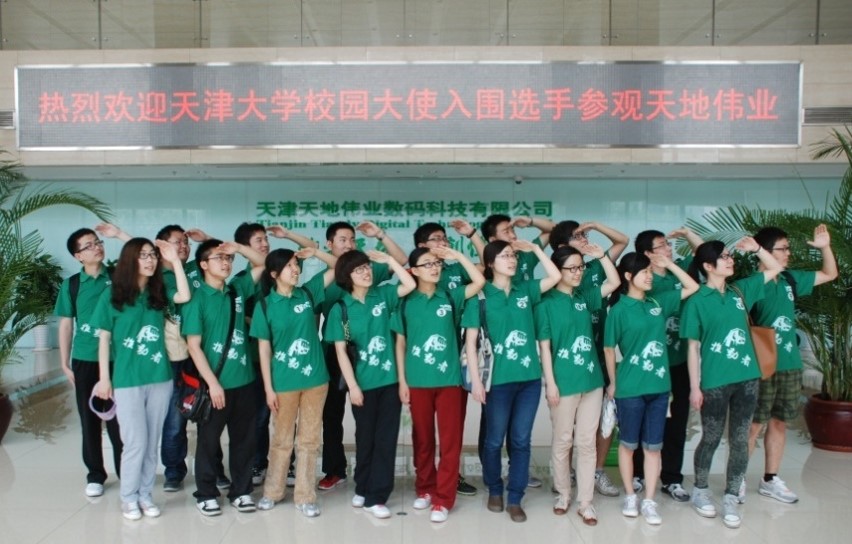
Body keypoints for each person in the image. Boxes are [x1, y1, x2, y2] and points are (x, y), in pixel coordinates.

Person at [680, 238, 782, 529]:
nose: (730, 260)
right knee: (711, 437)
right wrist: (695, 387)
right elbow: (692, 348)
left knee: (740, 439)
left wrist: (758, 249)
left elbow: (775, 267)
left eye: (729, 255)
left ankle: (731, 495)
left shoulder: (740, 290)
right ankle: (700, 490)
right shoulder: (696, 301)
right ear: (708, 266)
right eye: (723, 257)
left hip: (747, 378)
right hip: (714, 381)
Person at [92, 237, 191, 520]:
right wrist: (104, 379)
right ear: (130, 260)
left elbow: (184, 296)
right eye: (143, 255)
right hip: (127, 379)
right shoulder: (113, 295)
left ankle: (146, 495)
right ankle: (128, 497)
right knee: (135, 442)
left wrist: (174, 260)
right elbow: (104, 339)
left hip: (160, 377)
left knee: (151, 442)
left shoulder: (158, 292)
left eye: (153, 255)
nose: (150, 260)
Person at [464, 239, 561, 522]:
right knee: (494, 440)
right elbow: (471, 343)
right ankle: (495, 489)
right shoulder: (480, 296)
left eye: (513, 256)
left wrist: (537, 250)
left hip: (528, 379)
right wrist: (476, 382)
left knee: (520, 440)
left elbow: (555, 276)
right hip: (497, 381)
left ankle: (515, 497)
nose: (512, 260)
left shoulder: (525, 290)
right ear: (490, 263)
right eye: (505, 256)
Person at [603, 252, 698, 525]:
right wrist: (613, 383)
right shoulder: (618, 310)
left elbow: (692, 287)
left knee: (654, 446)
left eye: (650, 271)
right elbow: (609, 349)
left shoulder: (658, 302)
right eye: (644, 272)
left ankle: (649, 500)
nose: (649, 276)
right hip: (630, 387)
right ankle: (630, 495)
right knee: (628, 445)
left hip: (659, 387)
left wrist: (669, 265)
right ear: (628, 276)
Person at [393, 245, 485, 522]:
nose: (434, 268)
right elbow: (400, 344)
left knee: (450, 441)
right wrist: (402, 381)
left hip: (449, 381)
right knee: (422, 439)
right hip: (417, 380)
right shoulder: (405, 301)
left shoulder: (450, 295)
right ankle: (425, 488)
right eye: (427, 264)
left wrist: (457, 256)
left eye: (436, 263)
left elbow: (479, 281)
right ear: (413, 271)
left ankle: (443, 499)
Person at [746, 224, 837, 503]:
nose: (788, 253)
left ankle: (770, 479)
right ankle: (736, 479)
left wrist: (825, 248)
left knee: (779, 421)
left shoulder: (790, 279)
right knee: (753, 425)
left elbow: (830, 274)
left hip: (790, 363)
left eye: (788, 248)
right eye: (782, 249)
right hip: (762, 364)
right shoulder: (753, 284)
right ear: (764, 251)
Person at [325, 249, 416, 519]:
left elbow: (409, 284)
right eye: (359, 269)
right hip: (362, 384)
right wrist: (353, 386)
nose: (366, 272)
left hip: (389, 381)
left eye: (367, 267)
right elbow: (341, 351)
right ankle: (363, 486)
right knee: (365, 437)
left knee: (386, 439)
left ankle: (377, 496)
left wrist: (389, 261)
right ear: (347, 276)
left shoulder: (383, 294)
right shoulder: (341, 309)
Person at [317, 221, 407, 491]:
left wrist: (380, 235)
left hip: (370, 356)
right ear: (330, 244)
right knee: (332, 415)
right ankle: (335, 470)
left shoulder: (366, 272)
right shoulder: (326, 279)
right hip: (337, 351)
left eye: (352, 239)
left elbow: (402, 261)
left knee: (369, 420)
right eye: (342, 240)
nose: (349, 244)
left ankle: (371, 479)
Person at [232, 222, 319, 488]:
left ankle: (288, 466)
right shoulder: (244, 279)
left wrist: (288, 235)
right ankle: (260, 462)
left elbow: (312, 249)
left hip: (291, 363)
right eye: (258, 241)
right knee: (261, 416)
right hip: (256, 359)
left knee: (289, 421)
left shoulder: (290, 277)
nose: (265, 244)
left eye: (265, 239)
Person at [537, 243, 619, 525]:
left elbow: (614, 282)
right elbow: (544, 347)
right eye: (571, 268)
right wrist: (550, 383)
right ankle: (563, 494)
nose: (578, 272)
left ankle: (586, 502)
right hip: (563, 382)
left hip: (591, 380)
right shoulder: (546, 303)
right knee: (563, 441)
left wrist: (601, 256)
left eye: (580, 267)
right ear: (557, 270)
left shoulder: (584, 296)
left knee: (586, 443)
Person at [182, 238, 265, 517]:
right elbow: (193, 346)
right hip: (214, 384)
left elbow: (262, 263)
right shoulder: (196, 300)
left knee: (245, 441)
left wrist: (238, 248)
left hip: (244, 381)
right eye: (219, 258)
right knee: (208, 442)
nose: (226, 263)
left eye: (228, 259)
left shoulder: (237, 289)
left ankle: (241, 491)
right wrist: (213, 384)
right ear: (203, 265)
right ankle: (206, 493)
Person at [252, 247, 336, 517]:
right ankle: (272, 492)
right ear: (274, 274)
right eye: (289, 266)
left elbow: (338, 266)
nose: (295, 270)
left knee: (309, 440)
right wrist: (268, 388)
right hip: (283, 383)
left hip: (315, 381)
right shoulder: (265, 305)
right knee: (282, 439)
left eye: (296, 265)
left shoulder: (308, 293)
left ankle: (305, 495)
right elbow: (264, 349)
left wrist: (316, 253)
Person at [549, 220, 630, 497]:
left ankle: (595, 474)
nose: (584, 238)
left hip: (599, 355)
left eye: (585, 234)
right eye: (578, 236)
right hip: (569, 361)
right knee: (566, 426)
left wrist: (597, 232)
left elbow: (622, 244)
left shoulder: (593, 269)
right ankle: (566, 477)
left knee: (601, 419)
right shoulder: (554, 289)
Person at [54, 223, 128, 497]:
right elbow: (66, 324)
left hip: (117, 358)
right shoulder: (72, 285)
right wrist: (64, 362)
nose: (97, 247)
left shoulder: (118, 277)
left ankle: (126, 472)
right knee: (90, 419)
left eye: (98, 242)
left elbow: (142, 255)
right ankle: (96, 474)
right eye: (89, 245)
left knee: (120, 419)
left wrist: (118, 234)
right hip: (85, 358)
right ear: (78, 256)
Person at [631, 227, 703, 502]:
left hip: (680, 360)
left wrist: (688, 235)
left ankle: (672, 478)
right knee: (645, 420)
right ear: (647, 253)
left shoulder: (679, 271)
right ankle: (638, 473)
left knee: (678, 422)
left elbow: (703, 254)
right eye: (661, 246)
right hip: (651, 363)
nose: (668, 249)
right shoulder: (646, 282)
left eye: (668, 244)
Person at [413, 219, 484, 496]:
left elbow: (484, 271)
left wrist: (460, 251)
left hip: (452, 367)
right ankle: (425, 484)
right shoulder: (411, 287)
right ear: (421, 247)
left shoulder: (454, 274)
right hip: (420, 373)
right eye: (436, 238)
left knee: (451, 432)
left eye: (445, 238)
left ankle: (450, 481)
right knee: (423, 434)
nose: (443, 242)